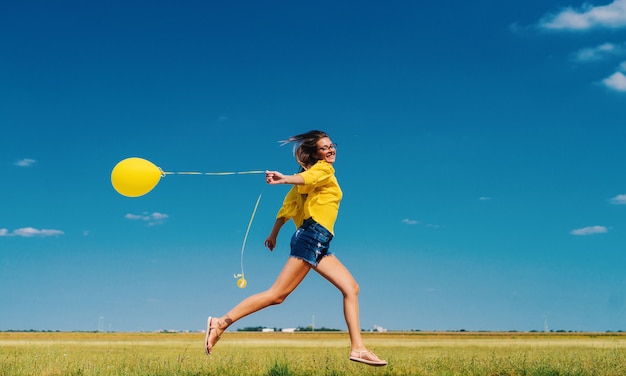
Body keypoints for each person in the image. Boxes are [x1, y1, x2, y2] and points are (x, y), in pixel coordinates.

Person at [204, 130, 387, 367]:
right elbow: (306, 181)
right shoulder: (322, 171)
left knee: (351, 288)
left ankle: (358, 349)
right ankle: (220, 323)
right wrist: (285, 179)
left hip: (317, 239)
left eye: (332, 145)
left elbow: (286, 208)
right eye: (324, 147)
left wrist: (273, 235)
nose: (331, 150)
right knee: (276, 295)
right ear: (315, 154)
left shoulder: (308, 179)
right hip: (313, 236)